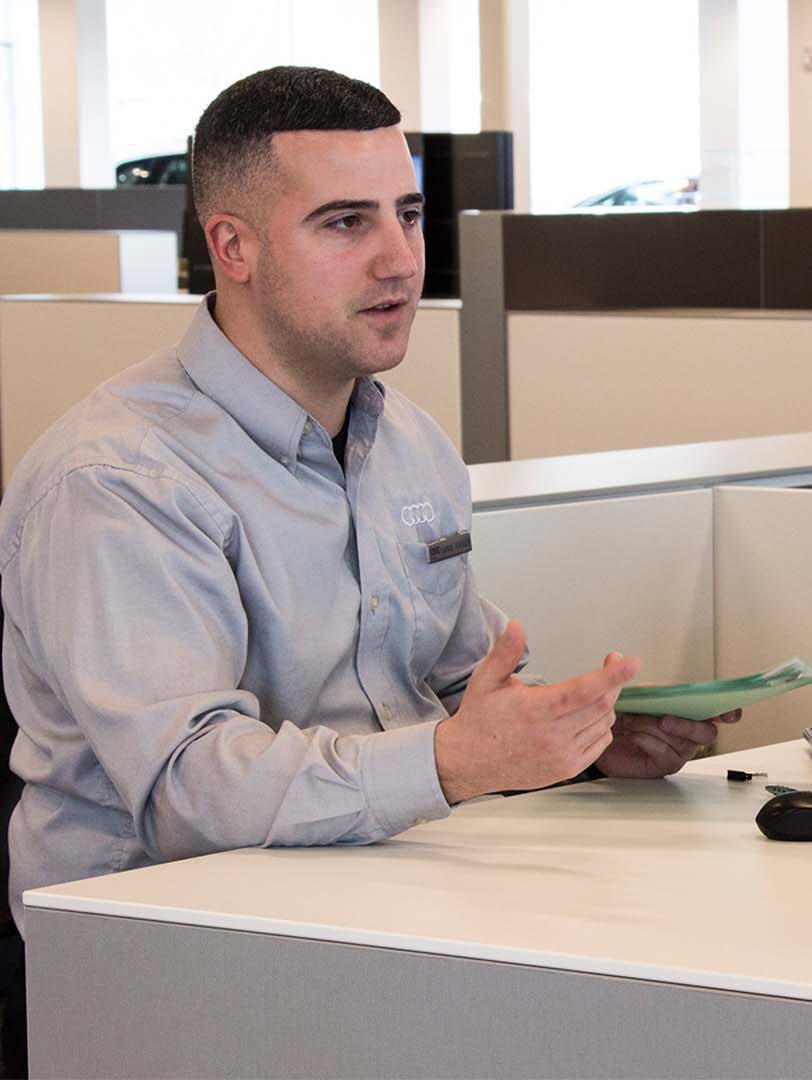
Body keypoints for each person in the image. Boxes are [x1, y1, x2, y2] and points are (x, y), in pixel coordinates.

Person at [0, 67, 735, 1069]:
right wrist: (459, 761)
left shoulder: (411, 446)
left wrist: (579, 737)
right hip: (166, 970)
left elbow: (443, 678)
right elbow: (187, 791)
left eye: (410, 214)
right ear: (234, 246)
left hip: (376, 910)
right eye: (346, 223)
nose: (401, 260)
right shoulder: (119, 479)